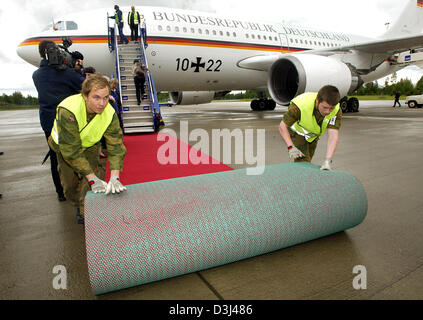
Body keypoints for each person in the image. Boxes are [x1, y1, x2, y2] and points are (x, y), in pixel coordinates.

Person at [48, 74, 127, 224]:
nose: (102, 103)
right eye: (96, 97)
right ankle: (77, 204)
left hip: (89, 146)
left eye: (105, 98)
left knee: (92, 180)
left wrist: (115, 176)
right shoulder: (69, 110)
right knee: (70, 186)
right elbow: (72, 151)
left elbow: (116, 146)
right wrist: (92, 178)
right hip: (65, 148)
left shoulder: (110, 113)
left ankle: (87, 212)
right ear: (85, 96)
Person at [32, 40, 85, 202]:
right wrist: (73, 68)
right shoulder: (66, 73)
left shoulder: (37, 75)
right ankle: (77, 192)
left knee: (55, 158)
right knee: (75, 156)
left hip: (48, 123)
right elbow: (83, 86)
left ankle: (60, 192)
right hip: (67, 122)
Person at [278, 85, 342, 171]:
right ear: (317, 101)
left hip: (312, 136)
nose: (328, 111)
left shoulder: (336, 110)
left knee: (307, 162)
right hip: (297, 132)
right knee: (303, 163)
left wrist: (327, 161)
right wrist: (291, 147)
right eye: (325, 107)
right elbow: (282, 126)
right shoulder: (300, 106)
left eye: (331, 108)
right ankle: (300, 181)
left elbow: (333, 136)